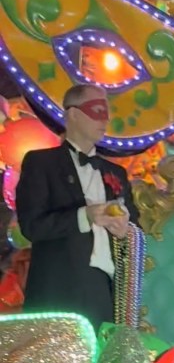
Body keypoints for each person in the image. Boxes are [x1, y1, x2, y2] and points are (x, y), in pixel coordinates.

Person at [16, 84, 139, 331]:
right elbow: (32, 226)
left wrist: (125, 231)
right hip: (59, 288)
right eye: (96, 110)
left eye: (106, 112)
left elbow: (136, 226)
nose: (104, 119)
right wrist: (85, 217)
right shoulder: (42, 163)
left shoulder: (115, 172)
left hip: (105, 289)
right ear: (72, 114)